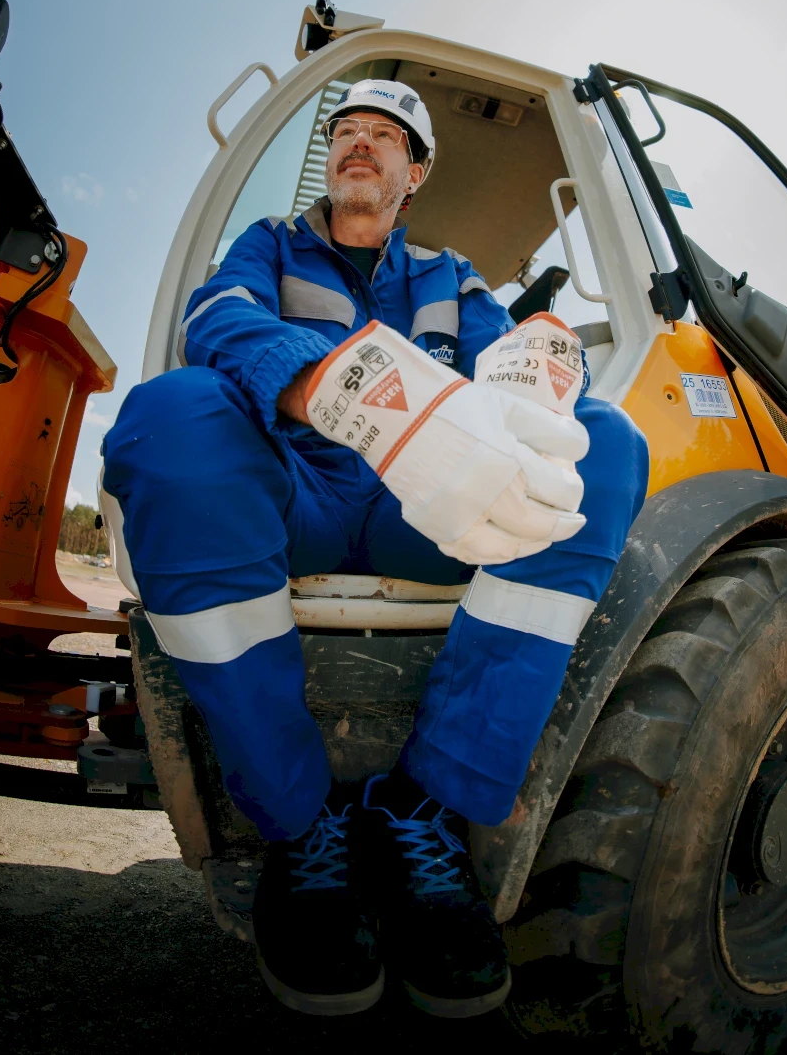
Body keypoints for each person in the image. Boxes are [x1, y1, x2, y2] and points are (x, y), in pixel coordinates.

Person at [103, 78, 649, 1019]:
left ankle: (427, 804)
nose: (358, 145)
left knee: (604, 448)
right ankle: (302, 825)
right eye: (346, 133)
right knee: (168, 417)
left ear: (415, 172)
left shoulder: (452, 275)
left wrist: (552, 356)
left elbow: (519, 367)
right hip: (295, 489)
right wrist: (331, 389)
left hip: (422, 511)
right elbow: (217, 320)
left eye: (383, 137)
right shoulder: (269, 246)